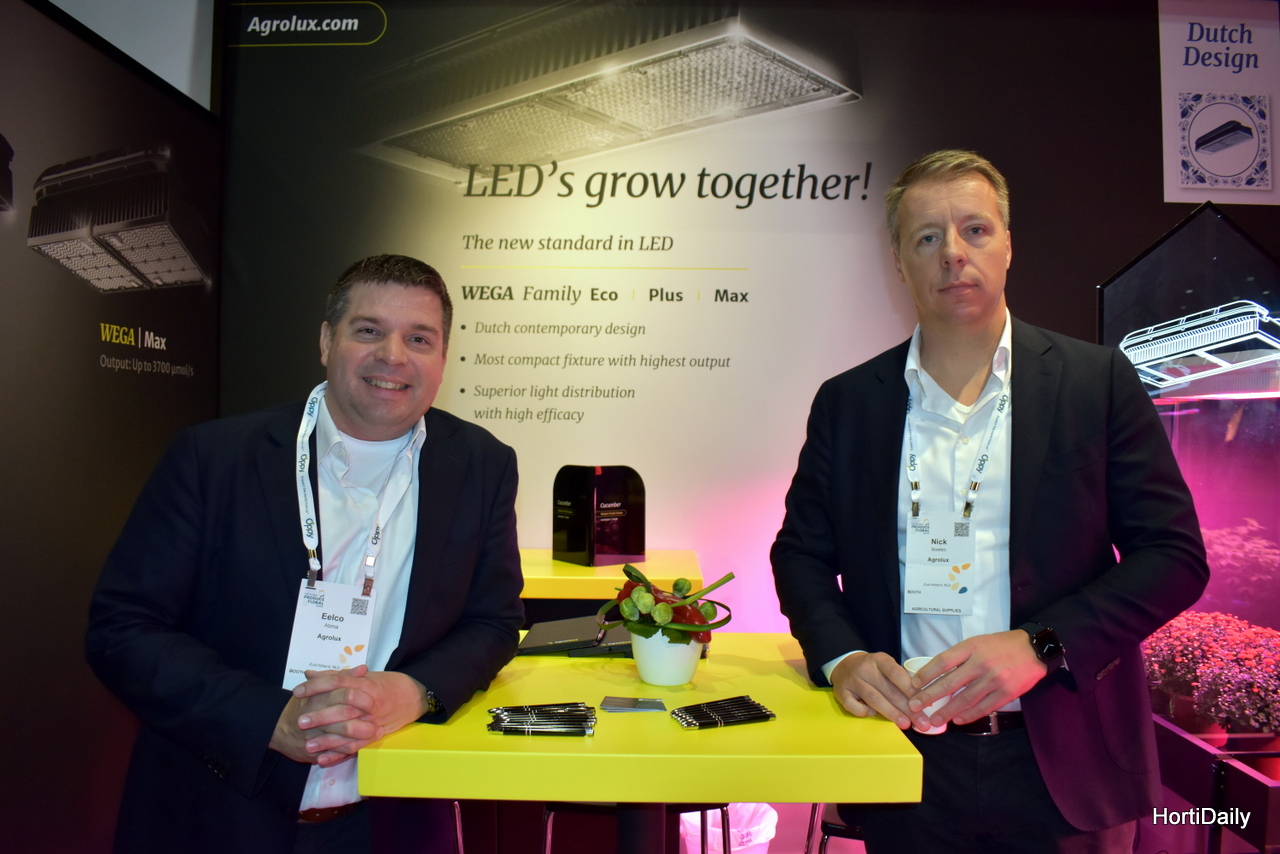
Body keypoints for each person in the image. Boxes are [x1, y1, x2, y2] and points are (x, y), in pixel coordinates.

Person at [771, 151, 1209, 852]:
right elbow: (800, 554)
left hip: (1064, 760)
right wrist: (842, 657)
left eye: (974, 229)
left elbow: (1174, 557)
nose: (953, 252)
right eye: (927, 237)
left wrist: (1042, 644)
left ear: (1008, 245)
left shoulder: (1095, 381)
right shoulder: (848, 403)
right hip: (906, 759)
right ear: (899, 262)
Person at [87, 254, 525, 854]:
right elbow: (122, 629)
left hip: (390, 821)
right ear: (326, 341)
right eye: (368, 330)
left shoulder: (482, 464)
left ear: (443, 358)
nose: (393, 355)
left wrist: (414, 690)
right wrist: (266, 720)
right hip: (218, 815)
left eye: (419, 338)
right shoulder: (214, 458)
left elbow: (493, 620)